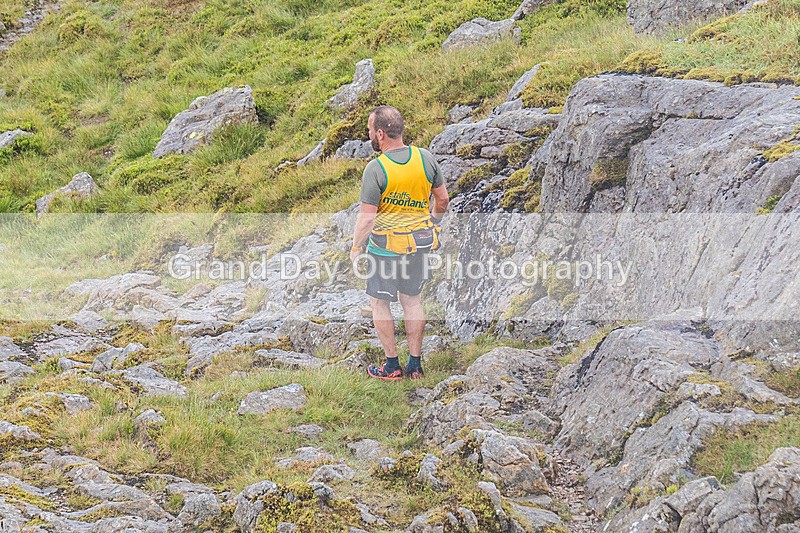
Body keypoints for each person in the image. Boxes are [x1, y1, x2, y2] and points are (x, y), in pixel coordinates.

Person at [350, 105, 450, 381]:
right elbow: (442, 200)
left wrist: (356, 248)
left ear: (380, 134)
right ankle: (415, 365)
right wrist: (433, 223)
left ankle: (392, 366)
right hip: (419, 245)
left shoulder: (376, 168)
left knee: (380, 304)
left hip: (384, 249)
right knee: (412, 301)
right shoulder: (425, 158)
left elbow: (367, 219)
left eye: (370, 129)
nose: (368, 133)